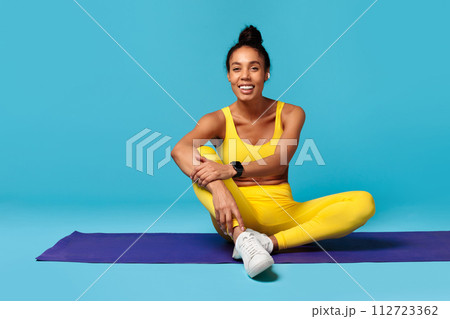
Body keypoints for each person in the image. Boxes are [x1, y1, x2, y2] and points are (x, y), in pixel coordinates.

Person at [171, 25, 376, 278]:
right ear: (228, 76)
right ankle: (242, 238)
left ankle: (267, 244)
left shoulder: (291, 113)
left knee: (363, 202)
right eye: (237, 69)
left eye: (253, 68)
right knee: (200, 156)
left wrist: (230, 169)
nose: (244, 76)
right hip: (234, 213)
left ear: (266, 73)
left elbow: (280, 161)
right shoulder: (217, 119)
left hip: (284, 213)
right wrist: (218, 189)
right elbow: (178, 150)